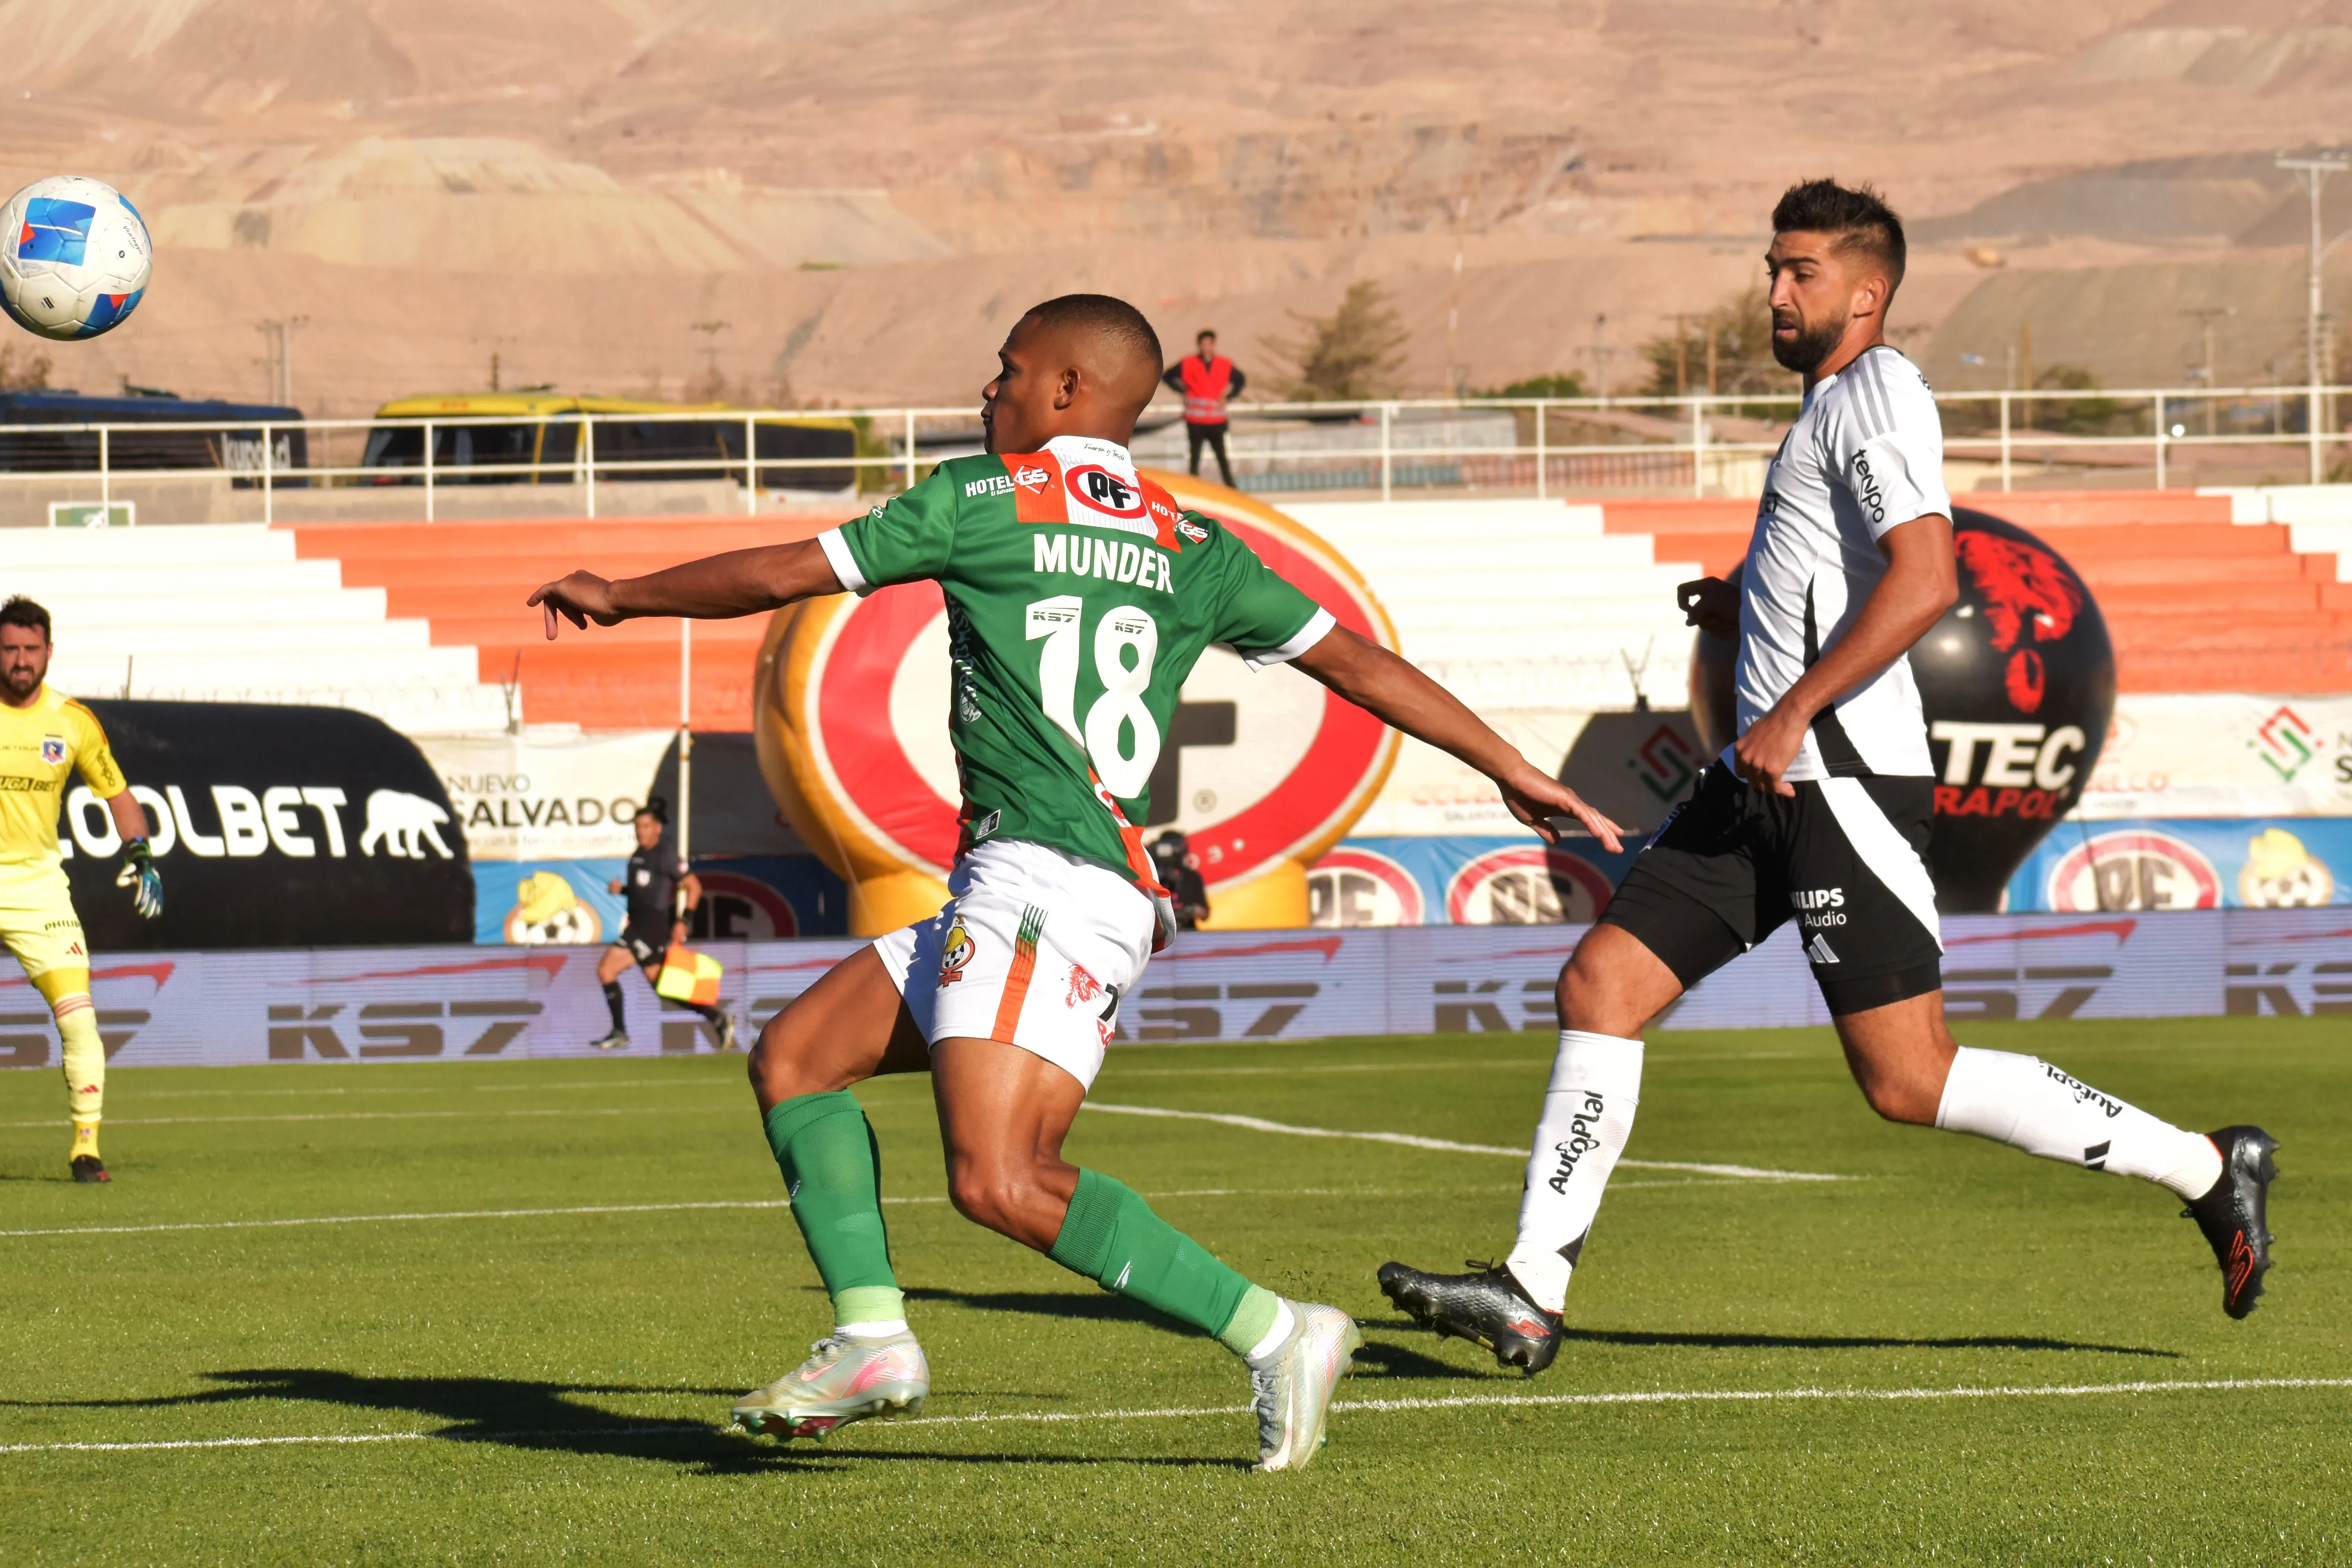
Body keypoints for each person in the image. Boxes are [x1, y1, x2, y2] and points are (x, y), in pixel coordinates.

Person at [530, 293, 1622, 1470]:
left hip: (1040, 885)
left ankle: (1274, 1330)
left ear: (1062, 390)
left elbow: (789, 572)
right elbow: (1355, 661)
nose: (984, 391)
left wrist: (622, 593)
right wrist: (1508, 764)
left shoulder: (979, 498)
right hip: (1045, 887)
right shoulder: (1188, 543)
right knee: (797, 1056)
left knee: (1000, 1178)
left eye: (1003, 371)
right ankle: (868, 1334)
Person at [1376, 179, 2278, 1373]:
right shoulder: (1818, 413)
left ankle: (2208, 1169)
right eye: (1768, 267)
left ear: (1864, 294)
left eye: (1796, 271)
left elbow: (1926, 578)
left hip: (1833, 775)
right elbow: (1845, 572)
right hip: (1757, 780)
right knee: (1600, 983)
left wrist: (1794, 704)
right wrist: (1743, 601)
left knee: (1904, 1079)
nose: (1771, 290)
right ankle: (1528, 1289)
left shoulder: (1877, 392)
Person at [0, 596, 161, 1182]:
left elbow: (117, 792)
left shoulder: (72, 720)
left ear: (48, 651)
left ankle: (85, 1148)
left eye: (30, 649)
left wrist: (140, 852)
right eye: (11, 648)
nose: (21, 660)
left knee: (78, 1020)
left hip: (39, 886)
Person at [589, 799, 736, 1053]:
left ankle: (620, 1032)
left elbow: (694, 887)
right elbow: (644, 892)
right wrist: (621, 890)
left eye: (646, 826)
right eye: (637, 826)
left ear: (657, 828)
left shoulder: (665, 855)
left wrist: (684, 920)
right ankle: (717, 1017)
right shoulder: (638, 855)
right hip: (641, 926)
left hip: (650, 929)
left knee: (606, 971)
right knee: (663, 987)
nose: (640, 831)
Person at [1164, 329, 1244, 488]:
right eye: (1203, 344)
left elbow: (1240, 380)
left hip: (1216, 420)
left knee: (1222, 456)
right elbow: (1167, 376)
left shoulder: (1224, 364)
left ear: (1214, 345)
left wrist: (1228, 397)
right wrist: (1183, 391)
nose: (1206, 348)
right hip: (1196, 420)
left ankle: (1231, 488)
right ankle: (1193, 487)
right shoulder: (1188, 363)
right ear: (1199, 345)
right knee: (1195, 457)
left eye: (1209, 344)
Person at [1148, 829, 1209, 930]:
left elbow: (1205, 914)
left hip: (1186, 930)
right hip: (1157, 931)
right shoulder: (1151, 876)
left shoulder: (1192, 877)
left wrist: (1190, 911)